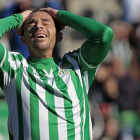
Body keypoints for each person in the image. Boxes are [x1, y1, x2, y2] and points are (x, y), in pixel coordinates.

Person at [0, 7, 113, 140]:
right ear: (23, 39)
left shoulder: (77, 65)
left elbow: (104, 35)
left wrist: (61, 15)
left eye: (46, 22)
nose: (38, 26)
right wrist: (18, 18)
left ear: (59, 36)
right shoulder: (13, 67)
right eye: (31, 24)